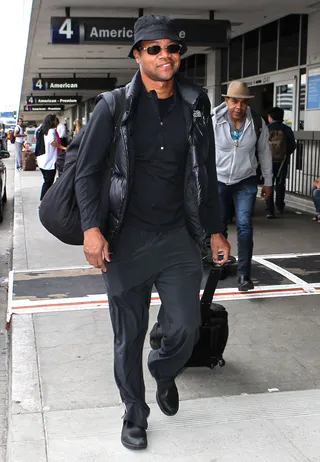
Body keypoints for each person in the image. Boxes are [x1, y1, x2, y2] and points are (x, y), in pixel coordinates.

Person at [74, 14, 230, 451]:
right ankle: (134, 413)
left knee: (186, 326)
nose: (167, 55)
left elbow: (206, 171)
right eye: (155, 48)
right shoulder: (113, 106)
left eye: (173, 48)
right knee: (128, 337)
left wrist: (215, 231)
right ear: (138, 55)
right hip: (124, 240)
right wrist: (92, 229)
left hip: (176, 236)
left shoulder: (194, 103)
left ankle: (162, 370)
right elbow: (86, 174)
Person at [212, 81, 273, 292]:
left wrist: (268, 181)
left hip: (245, 180)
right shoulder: (213, 120)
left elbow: (264, 152)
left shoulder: (257, 122)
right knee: (218, 226)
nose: (238, 106)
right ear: (226, 100)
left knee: (245, 226)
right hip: (218, 179)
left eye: (243, 103)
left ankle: (244, 275)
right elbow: (202, 152)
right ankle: (220, 265)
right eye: (234, 101)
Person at [266, 107, 297, 218]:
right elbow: (292, 145)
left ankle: (269, 210)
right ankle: (279, 206)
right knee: (280, 184)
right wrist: (285, 155)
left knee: (268, 183)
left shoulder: (266, 128)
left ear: (270, 117)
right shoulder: (286, 129)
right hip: (282, 162)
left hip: (268, 162)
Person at [37, 114, 67, 201]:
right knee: (48, 182)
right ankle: (44, 200)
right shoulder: (52, 131)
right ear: (52, 121)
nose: (56, 121)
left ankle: (45, 200)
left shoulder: (42, 130)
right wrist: (63, 147)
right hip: (49, 161)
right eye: (54, 120)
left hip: (42, 160)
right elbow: (52, 142)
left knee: (47, 181)